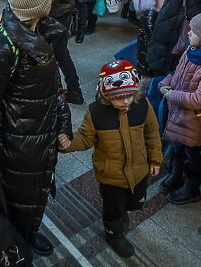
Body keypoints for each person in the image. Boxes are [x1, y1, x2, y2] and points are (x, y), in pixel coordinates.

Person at [0, 0, 72, 257]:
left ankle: (27, 233)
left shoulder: (40, 33)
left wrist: (63, 125)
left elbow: (55, 86)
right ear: (38, 6)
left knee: (34, 193)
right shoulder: (2, 49)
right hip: (18, 144)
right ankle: (20, 239)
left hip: (40, 136)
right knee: (19, 199)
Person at [58, 59, 162, 258]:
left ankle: (124, 213)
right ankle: (113, 234)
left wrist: (155, 159)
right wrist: (67, 143)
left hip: (139, 170)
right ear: (105, 95)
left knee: (134, 202)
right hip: (111, 177)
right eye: (118, 98)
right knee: (114, 209)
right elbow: (85, 138)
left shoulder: (142, 106)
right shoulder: (96, 113)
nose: (124, 101)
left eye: (128, 96)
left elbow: (152, 133)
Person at [158, 11, 201, 204]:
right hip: (179, 112)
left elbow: (200, 99)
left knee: (191, 154)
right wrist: (167, 82)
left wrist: (171, 95)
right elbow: (177, 73)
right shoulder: (192, 51)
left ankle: (192, 186)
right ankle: (176, 174)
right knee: (177, 148)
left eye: (193, 31)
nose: (188, 34)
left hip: (195, 119)